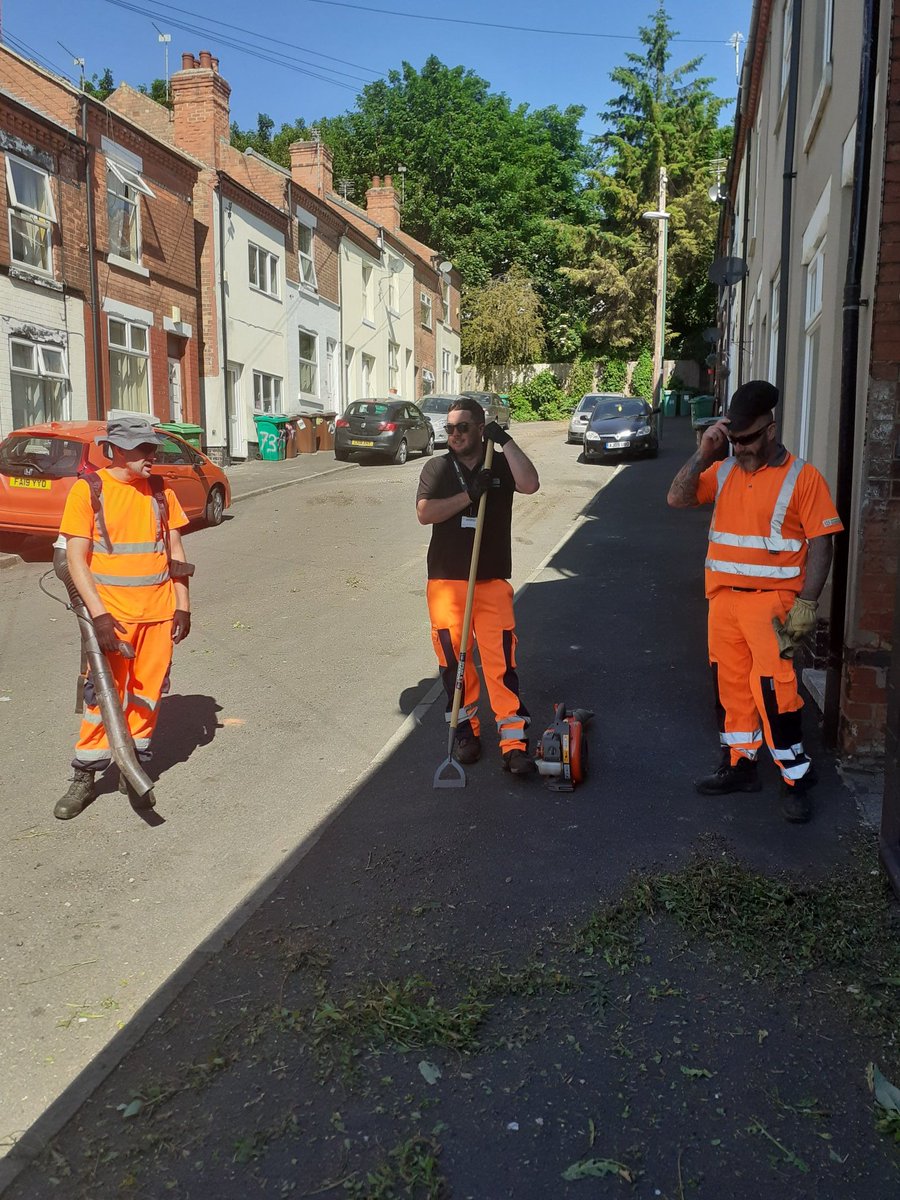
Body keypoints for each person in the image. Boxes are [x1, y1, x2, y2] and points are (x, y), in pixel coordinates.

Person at [667, 380, 843, 822]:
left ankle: (796, 778)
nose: (739, 449)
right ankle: (741, 766)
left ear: (771, 430)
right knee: (730, 687)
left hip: (775, 606)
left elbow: (824, 544)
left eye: (747, 440)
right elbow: (677, 497)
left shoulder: (803, 478)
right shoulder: (724, 470)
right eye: (734, 438)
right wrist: (707, 451)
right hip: (723, 601)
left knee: (775, 690)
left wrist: (807, 605)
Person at [54, 417, 193, 820]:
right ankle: (85, 774)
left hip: (159, 615)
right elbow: (76, 561)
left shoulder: (161, 491)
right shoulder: (89, 490)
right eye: (143, 449)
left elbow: (177, 553)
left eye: (154, 448)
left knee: (148, 694)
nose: (153, 455)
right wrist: (98, 616)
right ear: (114, 451)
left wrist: (182, 604)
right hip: (113, 618)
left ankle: (132, 767)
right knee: (103, 696)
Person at [416, 396, 540, 775]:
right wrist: (469, 494)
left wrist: (506, 442)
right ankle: (466, 733)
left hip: (490, 582)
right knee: (455, 661)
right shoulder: (437, 468)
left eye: (462, 427)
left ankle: (514, 743)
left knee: (500, 662)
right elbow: (425, 513)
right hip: (446, 583)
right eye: (449, 428)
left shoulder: (499, 462)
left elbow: (531, 484)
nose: (453, 433)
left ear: (479, 427)